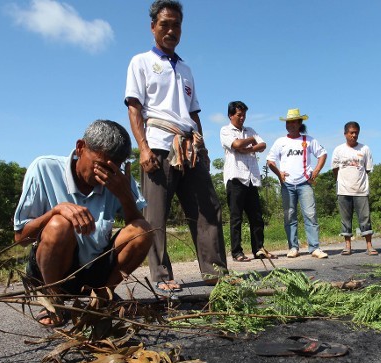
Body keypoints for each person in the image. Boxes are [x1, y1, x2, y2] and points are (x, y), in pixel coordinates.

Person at [124, 0, 227, 292]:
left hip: (190, 147)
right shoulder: (141, 62)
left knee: (207, 208)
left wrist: (203, 149)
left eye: (176, 24)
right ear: (153, 27)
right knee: (156, 213)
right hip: (158, 144)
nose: (171, 30)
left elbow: (194, 114)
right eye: (165, 24)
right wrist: (142, 147)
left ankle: (215, 271)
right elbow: (134, 107)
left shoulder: (186, 69)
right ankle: (161, 274)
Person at [13, 120, 153, 327]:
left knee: (143, 231)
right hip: (52, 273)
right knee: (58, 224)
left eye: (113, 167)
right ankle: (54, 300)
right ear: (80, 148)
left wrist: (125, 195)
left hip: (95, 272)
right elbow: (20, 238)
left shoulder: (118, 178)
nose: (104, 174)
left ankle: (103, 297)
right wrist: (56, 210)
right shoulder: (44, 168)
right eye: (99, 164)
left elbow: (137, 225)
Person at [266, 108, 328, 259]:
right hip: (287, 184)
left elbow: (323, 154)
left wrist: (317, 171)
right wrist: (278, 173)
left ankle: (314, 247)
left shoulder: (309, 140)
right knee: (289, 215)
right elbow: (270, 160)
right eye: (289, 122)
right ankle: (293, 247)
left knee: (310, 214)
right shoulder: (281, 141)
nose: (291, 124)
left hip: (304, 183)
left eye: (294, 122)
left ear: (300, 123)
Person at [220, 101, 274, 261]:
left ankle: (258, 249)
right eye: (239, 115)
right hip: (235, 177)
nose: (242, 117)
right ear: (231, 115)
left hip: (252, 178)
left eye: (244, 115)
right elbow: (235, 144)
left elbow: (263, 145)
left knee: (256, 216)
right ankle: (237, 252)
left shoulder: (250, 130)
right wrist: (251, 141)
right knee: (236, 217)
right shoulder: (225, 130)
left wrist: (247, 147)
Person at [331, 121, 376, 256]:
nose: (354, 135)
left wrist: (358, 181)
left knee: (365, 218)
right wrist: (341, 181)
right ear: (345, 134)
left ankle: (369, 245)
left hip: (361, 190)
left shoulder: (365, 149)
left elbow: (367, 169)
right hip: (344, 190)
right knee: (346, 219)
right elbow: (335, 169)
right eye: (351, 133)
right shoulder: (339, 150)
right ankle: (347, 245)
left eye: (356, 132)